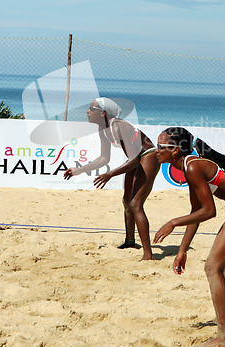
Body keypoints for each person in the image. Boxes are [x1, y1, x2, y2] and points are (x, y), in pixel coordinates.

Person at [153, 127, 225, 347]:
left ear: (175, 150)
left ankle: (223, 337)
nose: (157, 151)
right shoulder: (189, 166)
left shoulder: (193, 165)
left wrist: (173, 222)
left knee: (212, 267)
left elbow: (209, 211)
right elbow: (196, 210)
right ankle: (223, 320)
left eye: (161, 147)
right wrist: (182, 249)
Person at [64, 97, 160, 260]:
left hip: (149, 156)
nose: (87, 111)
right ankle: (130, 241)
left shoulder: (119, 126)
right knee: (126, 201)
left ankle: (148, 254)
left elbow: (135, 160)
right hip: (134, 158)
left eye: (91, 109)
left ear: (103, 113)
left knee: (136, 204)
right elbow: (104, 158)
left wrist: (110, 174)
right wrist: (78, 170)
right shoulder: (104, 130)